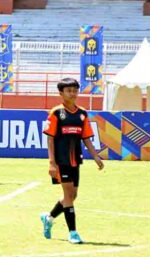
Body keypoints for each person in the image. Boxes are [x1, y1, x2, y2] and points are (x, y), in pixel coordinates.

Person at [40, 78, 104, 244]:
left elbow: (86, 138)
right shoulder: (56, 113)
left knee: (72, 196)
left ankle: (49, 218)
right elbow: (50, 139)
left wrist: (95, 155)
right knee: (68, 195)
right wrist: (52, 162)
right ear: (61, 93)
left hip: (76, 160)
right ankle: (73, 233)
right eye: (69, 91)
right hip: (61, 161)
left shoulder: (82, 114)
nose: (73, 93)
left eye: (75, 90)